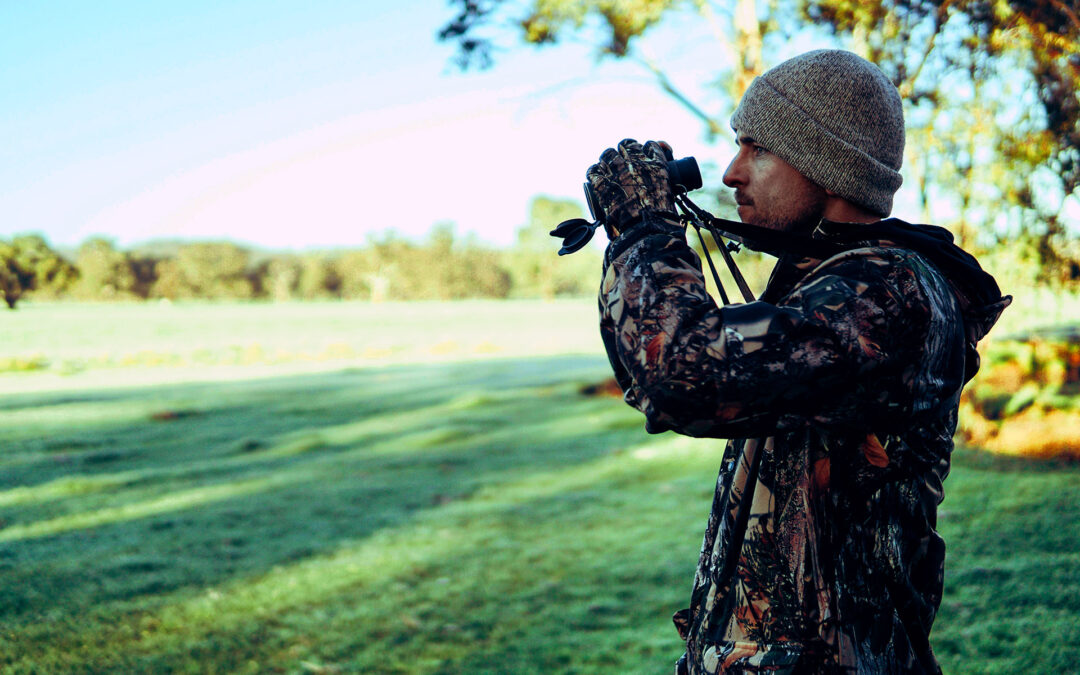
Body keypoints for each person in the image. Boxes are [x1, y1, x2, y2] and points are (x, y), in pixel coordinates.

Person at [584, 50, 1010, 673]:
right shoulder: (839, 282)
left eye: (757, 148)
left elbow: (680, 374)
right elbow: (670, 370)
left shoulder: (886, 291)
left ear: (827, 164)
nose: (730, 173)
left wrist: (643, 229)